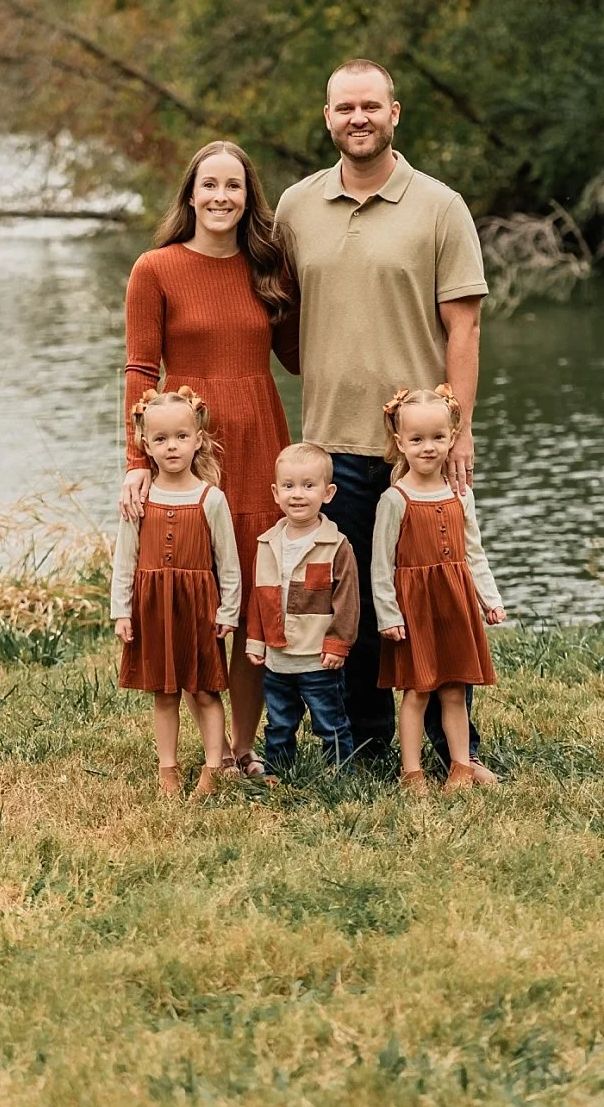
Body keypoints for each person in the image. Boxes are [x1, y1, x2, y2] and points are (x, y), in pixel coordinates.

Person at [274, 59, 495, 778]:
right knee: (348, 604)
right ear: (327, 116)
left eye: (371, 105)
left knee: (432, 598)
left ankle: (453, 746)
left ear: (394, 113)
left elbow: (463, 328)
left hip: (417, 452)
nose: (357, 118)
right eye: (345, 107)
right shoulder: (295, 207)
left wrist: (456, 433)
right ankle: (362, 742)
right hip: (327, 445)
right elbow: (276, 315)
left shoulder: (439, 205)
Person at [121, 140, 298, 780]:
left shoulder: (265, 269)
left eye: (234, 186)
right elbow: (141, 369)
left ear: (249, 198)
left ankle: (243, 751)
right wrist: (137, 461)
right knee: (197, 596)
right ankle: (198, 749)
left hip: (260, 441)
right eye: (209, 185)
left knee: (254, 590)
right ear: (190, 194)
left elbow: (299, 357)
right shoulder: (156, 268)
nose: (221, 196)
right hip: (184, 451)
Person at [111, 388, 242, 798]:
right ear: (145, 444)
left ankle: (213, 764)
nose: (172, 447)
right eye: (162, 439)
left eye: (181, 437)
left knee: (204, 688)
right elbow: (125, 558)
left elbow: (229, 562)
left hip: (199, 606)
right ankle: (167, 767)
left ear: (198, 439)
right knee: (164, 692)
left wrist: (228, 610)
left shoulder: (211, 498)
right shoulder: (141, 500)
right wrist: (122, 611)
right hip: (154, 606)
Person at [372, 388, 503, 794]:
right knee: (417, 690)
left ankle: (461, 766)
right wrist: (389, 615)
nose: (427, 448)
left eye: (437, 438)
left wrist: (490, 600)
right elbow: (381, 565)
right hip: (415, 606)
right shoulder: (395, 499)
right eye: (416, 440)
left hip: (455, 601)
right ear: (400, 444)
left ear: (452, 437)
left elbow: (474, 553)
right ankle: (411, 772)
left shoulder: (461, 495)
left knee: (454, 687)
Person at [243, 442, 359, 775]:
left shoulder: (335, 545)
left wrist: (338, 643)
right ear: (275, 492)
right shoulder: (267, 543)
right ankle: (278, 772)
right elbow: (259, 596)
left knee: (330, 721)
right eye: (289, 486)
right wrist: (255, 640)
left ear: (328, 492)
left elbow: (347, 601)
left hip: (318, 657)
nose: (298, 495)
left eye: (309, 486)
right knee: (279, 722)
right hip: (278, 660)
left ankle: (341, 772)